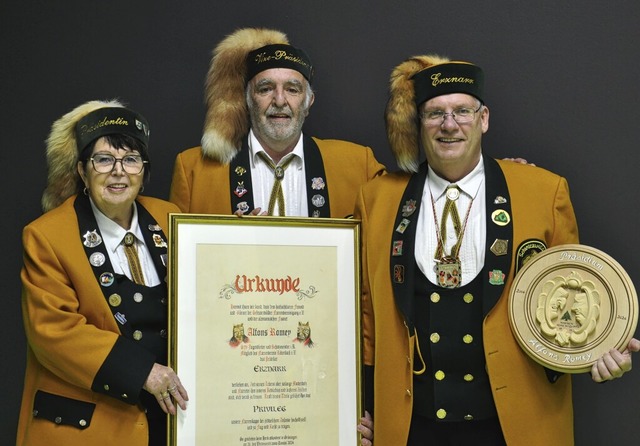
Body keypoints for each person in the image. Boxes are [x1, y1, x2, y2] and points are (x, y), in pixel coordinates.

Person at [354, 55, 640, 445]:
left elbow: (571, 292)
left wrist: (599, 352)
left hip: (514, 427)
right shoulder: (377, 199)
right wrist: (356, 406)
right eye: (435, 113)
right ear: (418, 124)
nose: (449, 125)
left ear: (484, 118)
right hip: (410, 428)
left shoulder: (542, 191)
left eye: (462, 112)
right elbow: (366, 321)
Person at [17, 100, 188, 446]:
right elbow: (54, 331)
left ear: (143, 170)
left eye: (130, 160)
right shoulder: (46, 235)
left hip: (171, 423)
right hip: (92, 427)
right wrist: (144, 373)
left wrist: (242, 240)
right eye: (104, 159)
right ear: (82, 170)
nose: (119, 171)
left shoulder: (171, 216)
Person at [169, 27, 385, 217]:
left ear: (309, 101)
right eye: (265, 89)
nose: (280, 101)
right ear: (247, 99)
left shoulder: (359, 166)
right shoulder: (193, 171)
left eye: (292, 89)